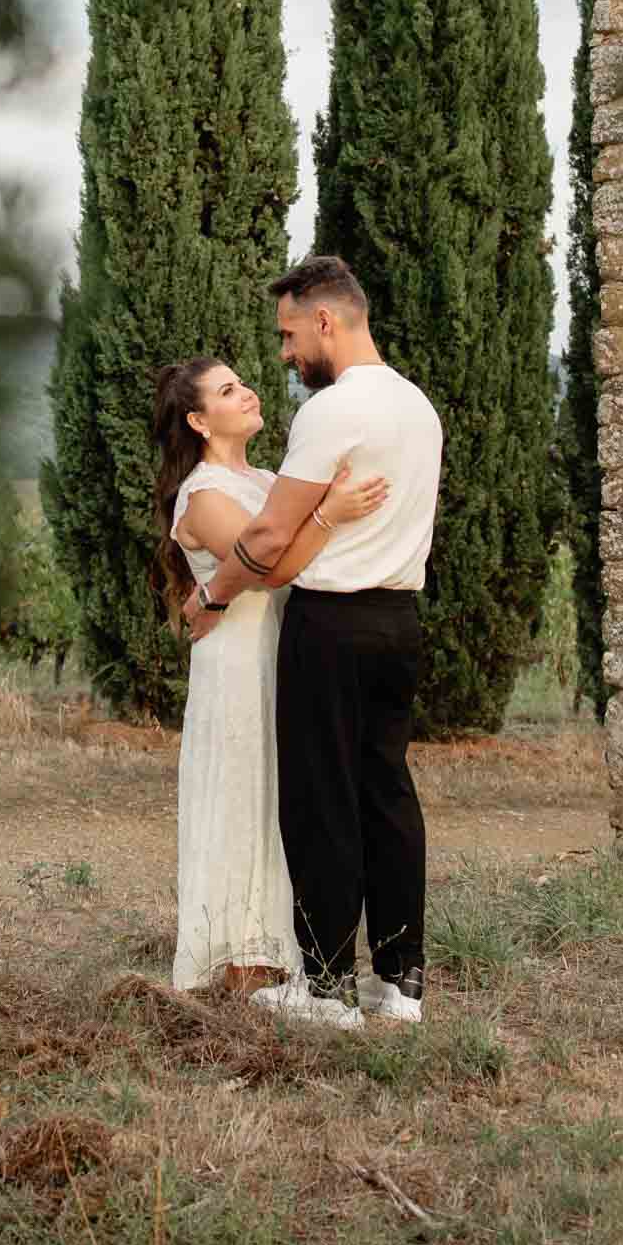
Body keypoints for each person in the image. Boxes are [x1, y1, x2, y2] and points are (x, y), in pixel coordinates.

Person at [184, 258, 443, 1031]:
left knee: (321, 798)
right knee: (388, 794)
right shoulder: (417, 406)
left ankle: (326, 987)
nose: (288, 353)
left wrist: (213, 593)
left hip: (330, 624)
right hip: (400, 619)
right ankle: (400, 985)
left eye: (291, 334)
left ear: (326, 321)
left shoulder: (331, 413)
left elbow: (267, 532)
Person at [151, 356, 388, 997]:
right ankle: (240, 956)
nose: (248, 391)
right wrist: (329, 513)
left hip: (287, 654)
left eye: (242, 381)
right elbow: (273, 562)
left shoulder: (265, 477)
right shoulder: (202, 496)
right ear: (199, 421)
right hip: (238, 664)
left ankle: (287, 948)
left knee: (289, 796)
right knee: (244, 793)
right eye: (228, 391)